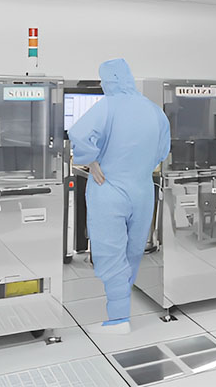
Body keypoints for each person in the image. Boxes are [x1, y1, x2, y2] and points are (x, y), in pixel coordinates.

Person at [69, 59, 170, 335]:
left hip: (109, 189)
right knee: (133, 251)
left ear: (110, 81)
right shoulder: (154, 110)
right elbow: (162, 151)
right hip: (142, 191)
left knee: (111, 253)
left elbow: (78, 134)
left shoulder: (107, 106)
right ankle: (122, 307)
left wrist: (91, 160)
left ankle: (118, 319)